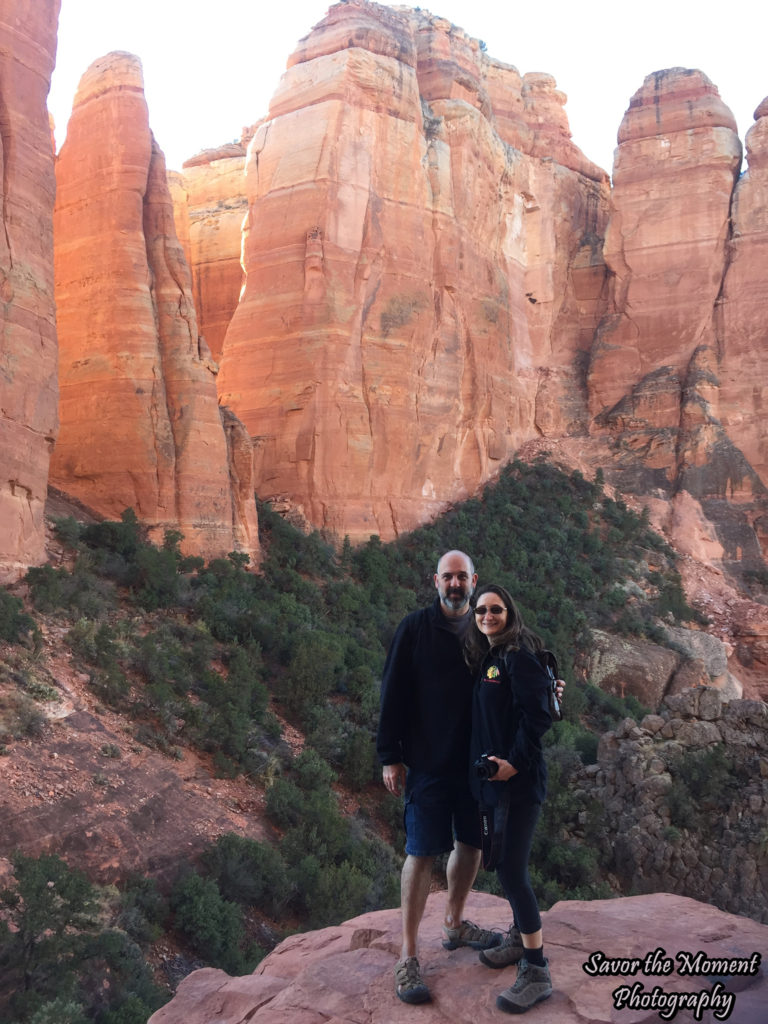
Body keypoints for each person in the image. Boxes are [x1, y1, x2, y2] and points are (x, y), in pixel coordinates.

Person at [376, 550, 503, 1004]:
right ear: (435, 581)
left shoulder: (488, 630)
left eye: (462, 577)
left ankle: (454, 924)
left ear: (474, 580)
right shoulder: (414, 629)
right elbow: (392, 692)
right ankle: (408, 955)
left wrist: (549, 690)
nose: (455, 584)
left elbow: (515, 679)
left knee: (471, 844)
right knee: (421, 852)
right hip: (428, 762)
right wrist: (390, 756)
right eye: (448, 577)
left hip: (475, 764)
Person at [463, 582, 555, 1014]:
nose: (487, 617)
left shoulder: (518, 657)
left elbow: (539, 716)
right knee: (502, 867)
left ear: (509, 612)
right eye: (480, 610)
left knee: (514, 873)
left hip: (518, 783)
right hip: (495, 782)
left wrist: (514, 763)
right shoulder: (493, 657)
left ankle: (536, 969)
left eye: (495, 610)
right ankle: (520, 941)